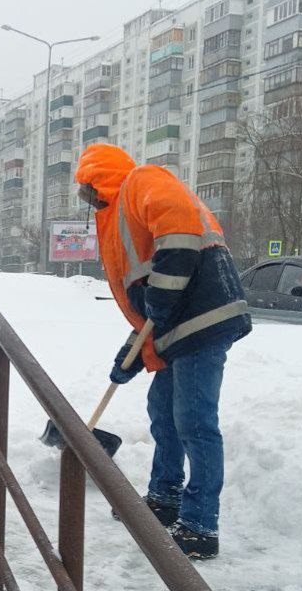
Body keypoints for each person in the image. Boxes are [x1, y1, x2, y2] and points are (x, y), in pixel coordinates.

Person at [75, 144, 251, 559]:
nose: (88, 199)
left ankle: (200, 525)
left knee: (194, 419)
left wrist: (161, 297)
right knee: (164, 412)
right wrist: (131, 356)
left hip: (204, 316)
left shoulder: (142, 181)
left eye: (87, 188)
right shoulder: (118, 215)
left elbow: (180, 236)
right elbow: (150, 304)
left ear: (100, 178)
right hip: (176, 326)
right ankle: (164, 498)